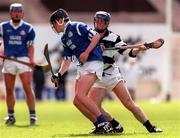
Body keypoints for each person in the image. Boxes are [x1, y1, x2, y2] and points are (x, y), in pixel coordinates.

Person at [73, 11, 163, 134]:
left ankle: (150, 128)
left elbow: (129, 53)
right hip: (96, 76)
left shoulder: (114, 38)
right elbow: (82, 53)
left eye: (102, 21)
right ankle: (115, 125)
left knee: (129, 104)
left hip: (111, 74)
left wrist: (139, 50)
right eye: (97, 20)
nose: (99, 23)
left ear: (107, 23)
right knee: (94, 107)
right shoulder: (88, 35)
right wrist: (95, 49)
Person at [49, 8, 112, 134]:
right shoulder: (64, 38)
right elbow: (67, 60)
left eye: (54, 24)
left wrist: (87, 52)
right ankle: (98, 124)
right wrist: (59, 74)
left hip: (93, 62)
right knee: (77, 101)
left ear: (60, 21)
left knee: (80, 95)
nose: (53, 27)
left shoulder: (76, 26)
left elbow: (96, 36)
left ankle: (105, 123)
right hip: (83, 66)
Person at [0, 3, 37, 125]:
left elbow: (31, 46)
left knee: (27, 87)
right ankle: (11, 116)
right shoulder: (2, 27)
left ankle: (33, 116)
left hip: (23, 60)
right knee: (9, 90)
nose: (17, 13)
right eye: (14, 11)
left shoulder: (28, 28)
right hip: (9, 60)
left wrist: (31, 60)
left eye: (19, 11)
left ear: (22, 13)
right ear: (10, 13)